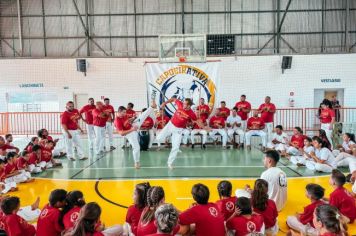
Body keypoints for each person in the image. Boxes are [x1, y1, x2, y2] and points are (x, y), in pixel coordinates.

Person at [158, 97, 205, 169]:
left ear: (189, 105)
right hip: (170, 125)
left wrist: (205, 128)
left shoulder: (192, 113)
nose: (184, 105)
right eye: (184, 103)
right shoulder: (180, 104)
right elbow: (173, 99)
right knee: (159, 138)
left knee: (176, 147)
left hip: (179, 130)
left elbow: (197, 121)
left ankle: (169, 163)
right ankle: (168, 139)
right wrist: (164, 103)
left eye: (185, 104)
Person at [114, 100, 157, 169]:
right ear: (119, 112)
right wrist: (133, 129)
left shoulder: (124, 116)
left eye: (125, 112)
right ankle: (136, 162)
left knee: (142, 116)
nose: (125, 114)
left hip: (132, 126)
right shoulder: (117, 121)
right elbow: (121, 133)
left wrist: (133, 118)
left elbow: (127, 121)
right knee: (137, 147)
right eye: (124, 112)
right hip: (128, 133)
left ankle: (152, 107)